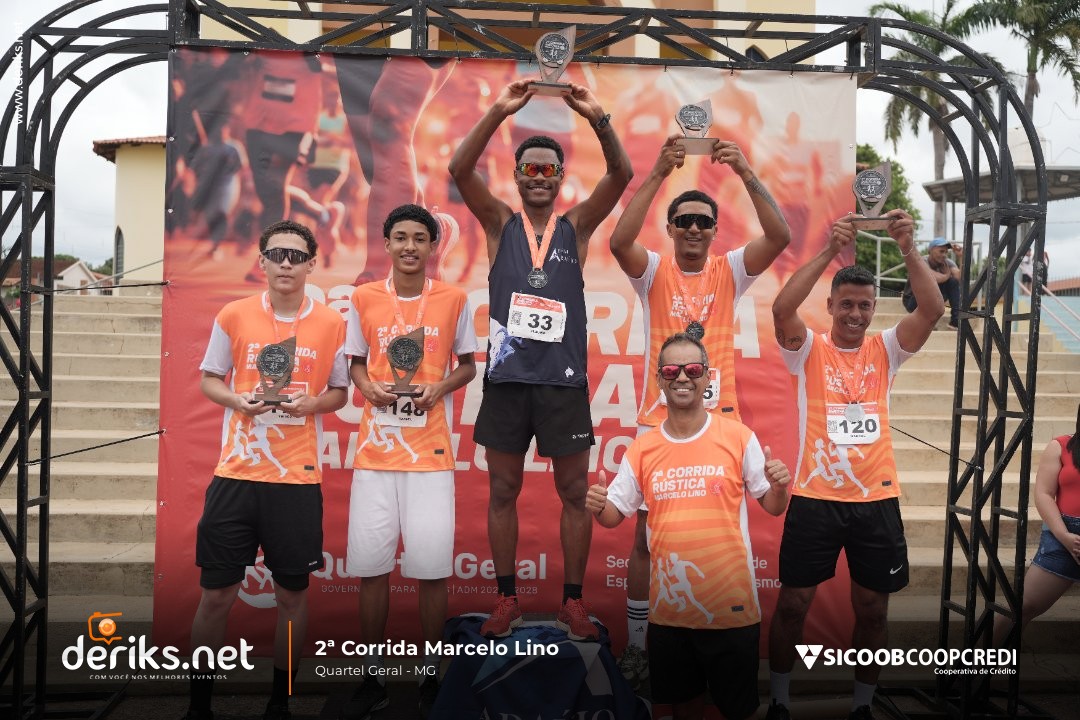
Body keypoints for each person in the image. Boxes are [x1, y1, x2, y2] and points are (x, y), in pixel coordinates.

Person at [448, 79, 632, 641]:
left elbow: (620, 175)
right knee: (503, 491)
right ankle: (507, 599)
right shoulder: (498, 223)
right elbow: (459, 169)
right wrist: (498, 111)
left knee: (574, 494)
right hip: (507, 380)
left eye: (548, 170)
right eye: (529, 168)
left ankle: (572, 603)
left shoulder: (575, 228)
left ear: (559, 177)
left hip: (562, 384)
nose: (538, 177)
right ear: (517, 174)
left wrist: (598, 117)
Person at [608, 134, 790, 685]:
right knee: (645, 539)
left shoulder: (730, 270)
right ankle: (639, 644)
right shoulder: (652, 271)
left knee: (720, 535)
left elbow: (779, 236)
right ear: (670, 229)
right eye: (683, 221)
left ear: (714, 230)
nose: (692, 229)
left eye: (702, 222)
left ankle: (716, 634)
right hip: (659, 421)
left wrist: (746, 172)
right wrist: (659, 172)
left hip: (722, 423)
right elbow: (619, 241)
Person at [766, 209, 943, 720]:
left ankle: (862, 706)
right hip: (815, 499)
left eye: (865, 305)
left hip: (875, 501)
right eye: (846, 304)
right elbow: (782, 308)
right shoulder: (807, 350)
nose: (856, 314)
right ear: (830, 306)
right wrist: (828, 249)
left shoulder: (887, 349)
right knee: (793, 606)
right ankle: (779, 701)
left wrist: (908, 247)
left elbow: (932, 309)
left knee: (872, 610)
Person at [188, 220, 349, 720]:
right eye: (277, 254)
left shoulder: (331, 322)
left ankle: (281, 703)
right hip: (236, 476)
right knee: (216, 596)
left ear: (311, 264)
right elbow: (209, 379)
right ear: (261, 261)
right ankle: (198, 708)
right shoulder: (234, 314)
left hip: (295, 482)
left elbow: (340, 392)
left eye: (296, 255)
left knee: (291, 597)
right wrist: (237, 399)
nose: (285, 263)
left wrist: (313, 404)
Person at [585, 333, 791, 720]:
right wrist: (598, 507)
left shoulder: (738, 437)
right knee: (684, 710)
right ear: (659, 380)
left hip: (732, 611)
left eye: (693, 369)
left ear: (708, 377)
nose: (682, 377)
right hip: (670, 616)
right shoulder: (642, 449)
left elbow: (774, 506)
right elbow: (613, 516)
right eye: (672, 370)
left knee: (739, 712)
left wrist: (780, 487)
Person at [339, 205, 478, 719]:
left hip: (431, 456)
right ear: (387, 243)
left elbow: (468, 365)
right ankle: (371, 675)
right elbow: (355, 362)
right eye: (401, 237)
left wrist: (439, 388)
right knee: (371, 569)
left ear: (432, 246)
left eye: (420, 238)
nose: (410, 247)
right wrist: (367, 388)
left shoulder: (454, 299)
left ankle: (431, 675)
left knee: (432, 571)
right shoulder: (363, 297)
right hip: (375, 453)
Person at [994, 403, 1080, 645]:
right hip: (1065, 536)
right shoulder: (1061, 446)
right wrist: (1064, 536)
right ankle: (983, 662)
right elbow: (1043, 494)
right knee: (1022, 607)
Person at [901, 237, 962, 329]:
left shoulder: (947, 262)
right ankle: (925, 321)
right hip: (912, 301)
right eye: (941, 251)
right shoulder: (921, 261)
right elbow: (931, 278)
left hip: (934, 300)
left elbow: (958, 277)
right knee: (927, 283)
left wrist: (961, 257)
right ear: (930, 250)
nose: (944, 255)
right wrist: (947, 275)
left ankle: (955, 321)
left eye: (946, 252)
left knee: (953, 282)